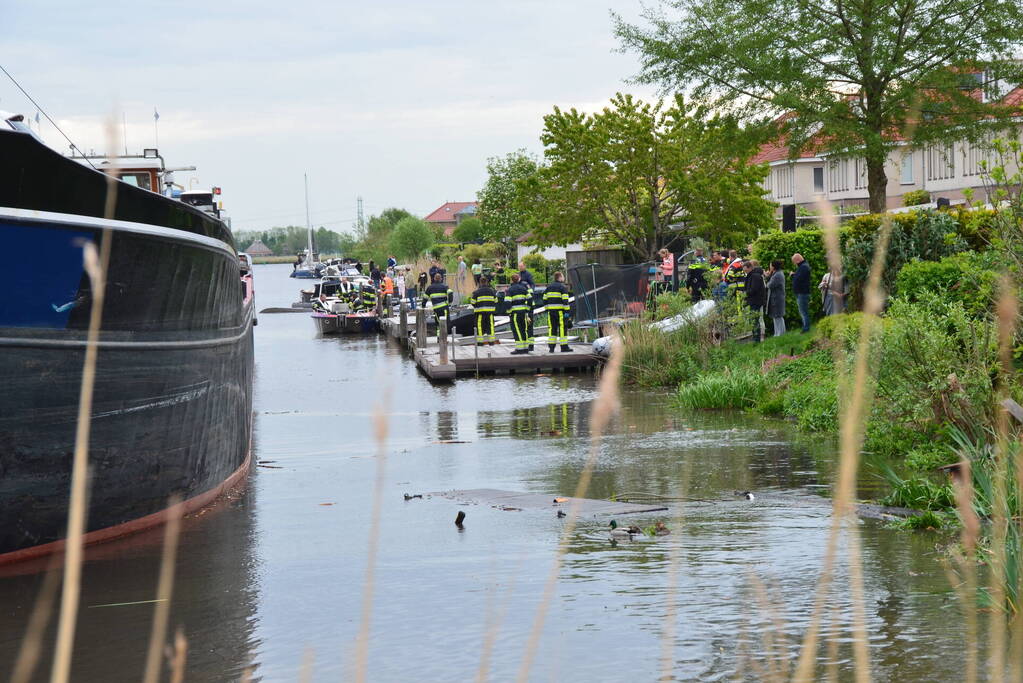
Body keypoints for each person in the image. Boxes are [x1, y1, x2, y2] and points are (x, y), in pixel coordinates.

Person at [543, 271, 572, 352]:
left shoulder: (548, 287)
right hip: (560, 312)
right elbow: (565, 301)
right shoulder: (562, 287)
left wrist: (547, 309)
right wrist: (567, 313)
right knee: (562, 328)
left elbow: (544, 299)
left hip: (550, 312)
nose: (564, 278)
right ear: (559, 277)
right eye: (563, 276)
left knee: (552, 329)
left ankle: (551, 348)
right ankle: (564, 347)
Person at [505, 273, 533, 354]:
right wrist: (527, 309)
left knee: (517, 330)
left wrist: (510, 312)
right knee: (524, 330)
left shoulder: (510, 290)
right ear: (518, 279)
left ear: (511, 280)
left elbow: (507, 303)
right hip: (523, 313)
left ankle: (519, 349)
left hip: (515, 314)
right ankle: (525, 348)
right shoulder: (524, 288)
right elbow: (530, 299)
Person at [469, 276, 498, 345]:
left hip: (480, 313)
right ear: (487, 282)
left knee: (479, 326)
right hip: (490, 312)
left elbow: (472, 302)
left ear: (480, 283)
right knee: (490, 326)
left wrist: (477, 306)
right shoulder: (492, 291)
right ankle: (491, 342)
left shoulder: (476, 292)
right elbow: (496, 301)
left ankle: (480, 342)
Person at [743, 260, 766, 342]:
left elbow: (753, 289)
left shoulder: (755, 276)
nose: (745, 272)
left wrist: (745, 293)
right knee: (753, 319)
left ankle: (757, 339)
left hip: (756, 301)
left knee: (755, 320)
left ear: (750, 268)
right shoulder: (751, 276)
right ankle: (755, 337)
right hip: (753, 300)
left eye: (746, 270)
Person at [791, 253, 811, 332]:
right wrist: (795, 274)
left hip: (802, 293)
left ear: (798, 260)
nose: (794, 264)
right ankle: (806, 327)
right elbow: (799, 277)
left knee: (803, 311)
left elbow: (799, 279)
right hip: (801, 292)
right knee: (803, 311)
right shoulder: (803, 267)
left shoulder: (804, 267)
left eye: (794, 262)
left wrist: (793, 275)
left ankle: (806, 328)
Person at [766, 260, 787, 336]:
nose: (769, 267)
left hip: (777, 298)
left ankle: (780, 334)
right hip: (776, 298)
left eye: (770, 265)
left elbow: (769, 285)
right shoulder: (776, 274)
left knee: (778, 316)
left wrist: (768, 279)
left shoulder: (777, 275)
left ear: (774, 267)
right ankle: (778, 333)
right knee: (776, 316)